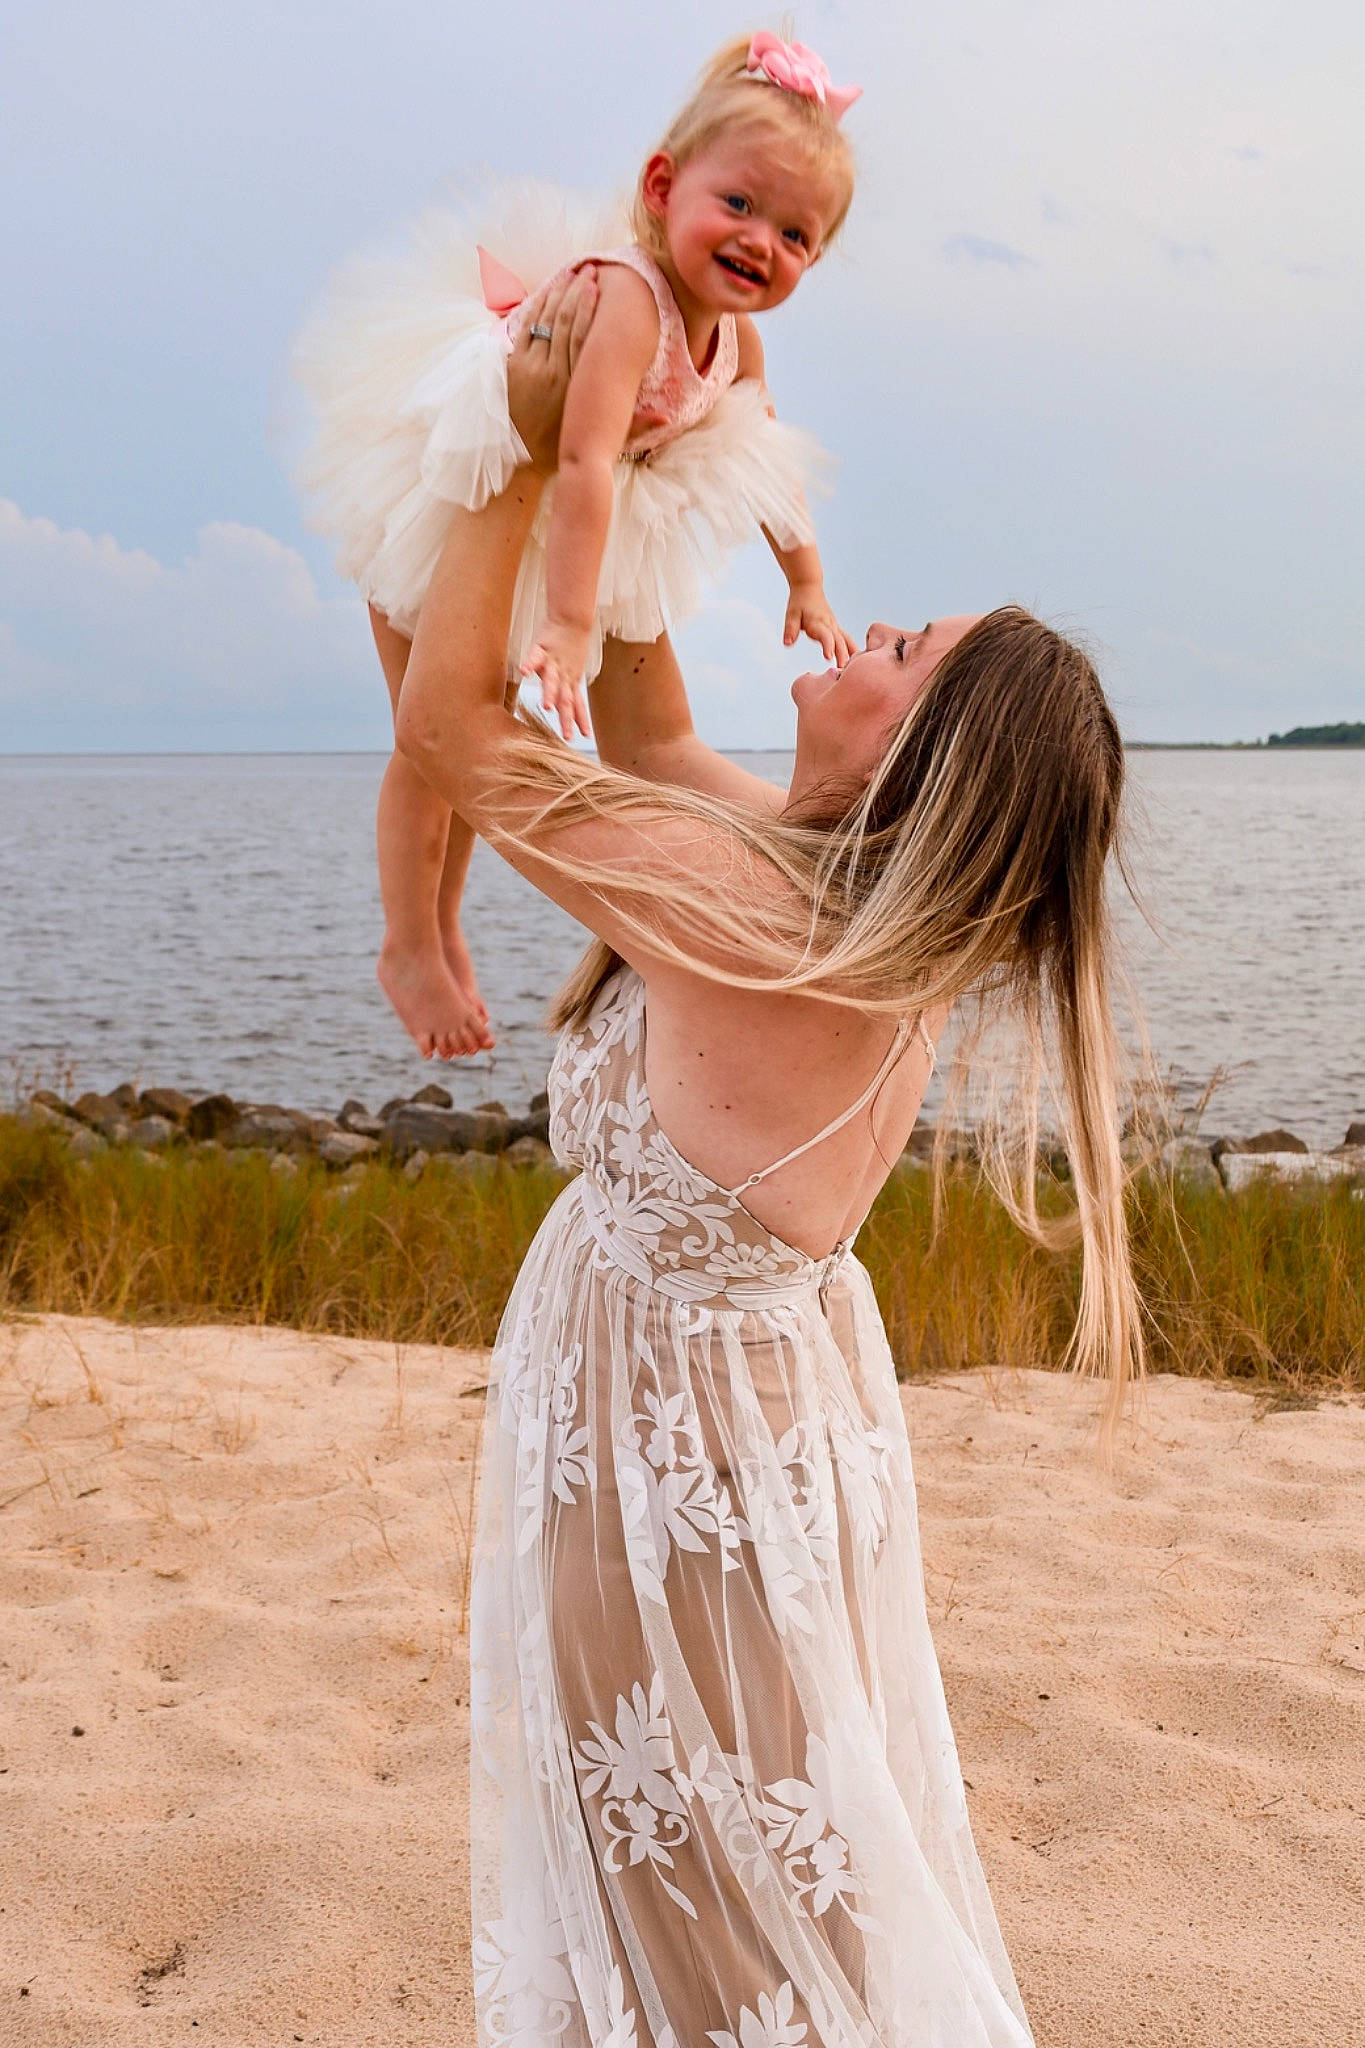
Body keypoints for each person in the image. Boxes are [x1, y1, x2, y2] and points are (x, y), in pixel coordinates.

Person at [388, 271, 1144, 2048]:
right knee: (724, 1866)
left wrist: (520, 449)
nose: (864, 632)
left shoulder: (755, 913)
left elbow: (457, 737)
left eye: (903, 654)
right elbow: (642, 734)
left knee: (701, 1890)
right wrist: (642, 443)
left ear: (927, 767)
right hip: (733, 1425)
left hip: (678, 1448)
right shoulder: (841, 905)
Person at [294, 32, 861, 1061]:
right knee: (429, 739)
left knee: (478, 736)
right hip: (449, 479)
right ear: (663, 185)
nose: (760, 241)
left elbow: (766, 460)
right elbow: (585, 458)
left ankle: (446, 919)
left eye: (795, 233)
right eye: (738, 206)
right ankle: (409, 940)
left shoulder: (740, 342)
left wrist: (807, 581)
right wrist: (566, 622)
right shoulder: (629, 300)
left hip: (558, 522)